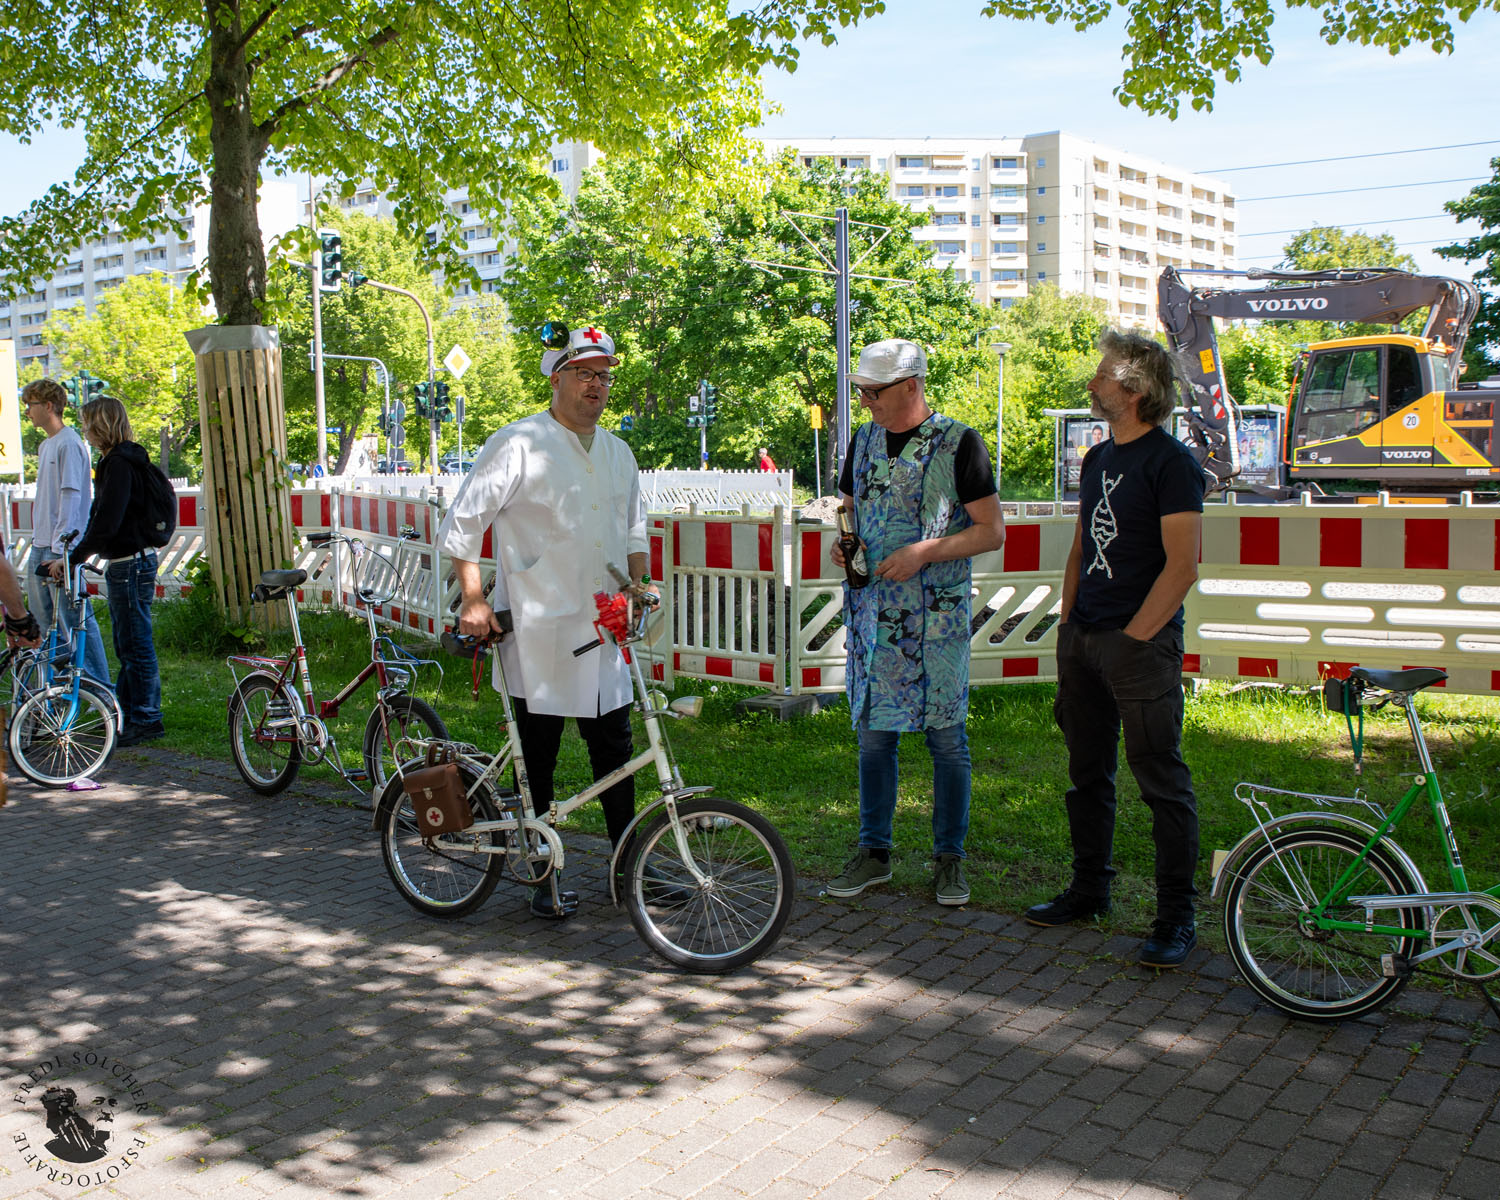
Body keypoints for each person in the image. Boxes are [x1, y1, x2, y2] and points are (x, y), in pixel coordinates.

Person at [438, 325, 653, 919]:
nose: (596, 385)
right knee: (538, 758)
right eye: (584, 373)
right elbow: (463, 523)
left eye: (604, 375)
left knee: (617, 754)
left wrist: (639, 582)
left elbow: (635, 529)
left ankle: (630, 868)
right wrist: (474, 600)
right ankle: (541, 873)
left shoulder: (618, 452)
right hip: (538, 630)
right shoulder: (518, 443)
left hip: (604, 628)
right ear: (556, 378)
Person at [1025, 329, 1205, 969]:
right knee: (1087, 773)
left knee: (1161, 780)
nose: (1093, 382)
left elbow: (1183, 566)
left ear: (1133, 390)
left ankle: (1175, 918)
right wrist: (1068, 624)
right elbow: (1081, 545)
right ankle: (1089, 889)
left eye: (1103, 374)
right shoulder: (1098, 457)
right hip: (1085, 639)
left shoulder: (1172, 463)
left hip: (1141, 646)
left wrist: (1134, 639)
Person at [825, 339, 1006, 908]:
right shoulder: (863, 440)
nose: (866, 401)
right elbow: (848, 508)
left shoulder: (960, 443)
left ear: (911, 385)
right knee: (873, 740)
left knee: (947, 742)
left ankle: (949, 859)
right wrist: (844, 544)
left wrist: (924, 552)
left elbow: (991, 531)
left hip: (935, 625)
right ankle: (874, 852)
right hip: (873, 620)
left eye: (873, 392)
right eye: (861, 392)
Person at [49, 396, 165, 746]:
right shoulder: (119, 460)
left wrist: (74, 557)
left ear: (101, 425)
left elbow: (106, 520)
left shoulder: (118, 464)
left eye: (87, 423)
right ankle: (129, 713)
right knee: (127, 643)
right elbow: (103, 518)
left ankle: (146, 718)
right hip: (129, 561)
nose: (84, 430)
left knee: (135, 644)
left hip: (130, 563)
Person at [21, 379, 111, 686]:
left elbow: (72, 496)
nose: (27, 412)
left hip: (59, 546)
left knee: (73, 620)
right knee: (45, 622)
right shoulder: (46, 445)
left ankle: (97, 688)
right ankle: (57, 689)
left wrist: (64, 549)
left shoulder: (69, 443)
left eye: (30, 405)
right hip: (41, 543)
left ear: (48, 406)